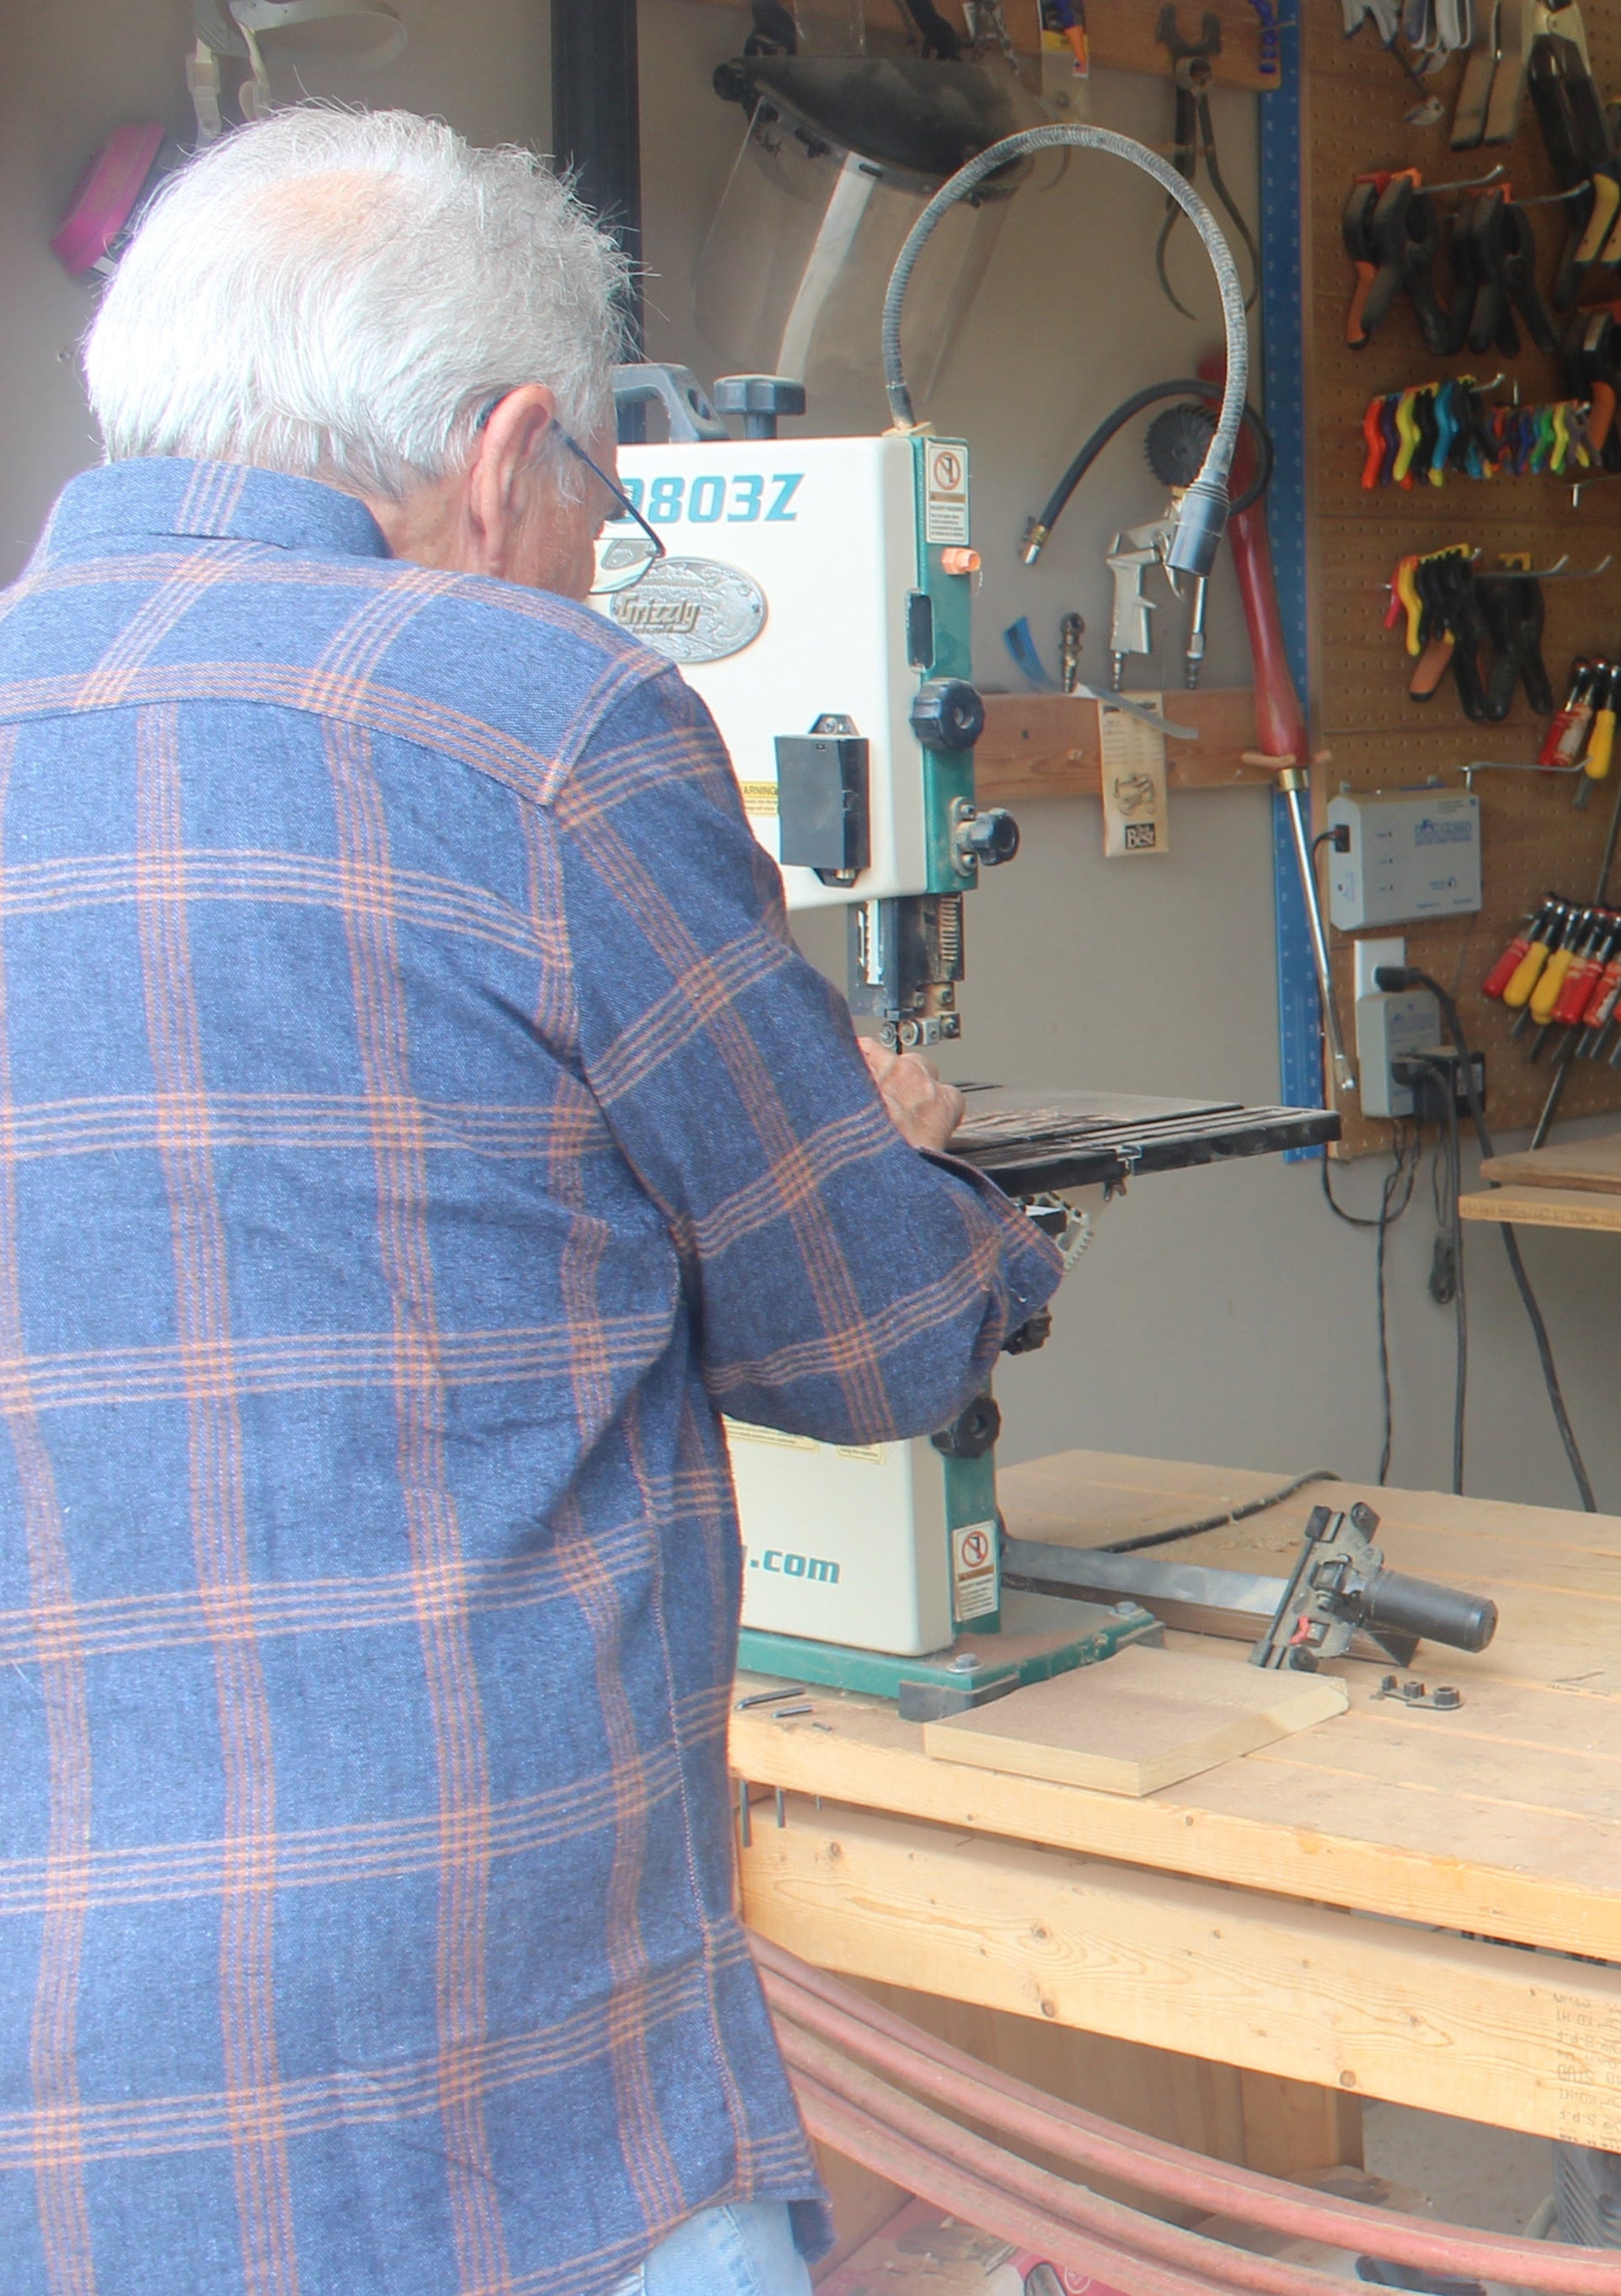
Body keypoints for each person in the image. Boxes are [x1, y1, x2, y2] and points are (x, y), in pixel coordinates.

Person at [0, 109, 1066, 2295]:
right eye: (599, 494)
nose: (592, 554)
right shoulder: (539, 719)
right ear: (505, 457)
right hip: (495, 2106)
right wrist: (908, 1164)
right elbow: (868, 1339)